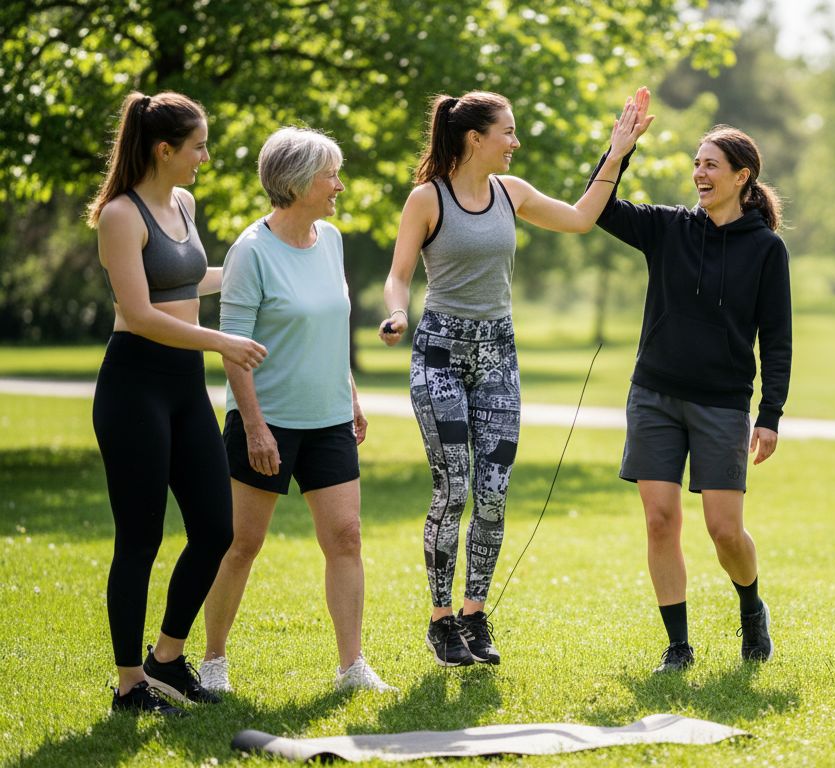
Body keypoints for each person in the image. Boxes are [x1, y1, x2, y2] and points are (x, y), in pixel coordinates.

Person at [377, 89, 654, 667]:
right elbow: (399, 274)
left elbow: (581, 219)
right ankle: (441, 620)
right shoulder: (428, 199)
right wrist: (397, 311)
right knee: (453, 489)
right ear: (475, 138)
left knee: (495, 496)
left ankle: (475, 615)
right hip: (441, 359)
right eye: (507, 131)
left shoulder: (513, 193)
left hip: (497, 356)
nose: (515, 141)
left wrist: (617, 152)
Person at [87, 91, 267, 716]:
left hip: (186, 388)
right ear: (165, 150)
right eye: (198, 146)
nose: (205, 157)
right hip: (134, 387)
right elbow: (139, 314)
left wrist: (264, 266)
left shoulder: (183, 203)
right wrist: (223, 340)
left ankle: (167, 658)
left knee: (217, 528)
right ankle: (129, 684)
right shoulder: (120, 215)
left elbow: (192, 278)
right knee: (139, 538)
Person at [588, 124, 792, 673]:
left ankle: (751, 606)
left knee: (724, 530)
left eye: (711, 165)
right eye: (696, 163)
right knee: (660, 519)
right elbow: (600, 207)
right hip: (653, 394)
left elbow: (777, 338)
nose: (699, 173)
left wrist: (769, 415)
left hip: (722, 403)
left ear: (741, 177)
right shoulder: (668, 228)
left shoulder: (767, 249)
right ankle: (678, 647)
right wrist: (619, 151)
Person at [200, 127, 393, 692]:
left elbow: (331, 329)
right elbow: (232, 349)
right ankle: (212, 663)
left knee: (347, 537)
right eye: (330, 174)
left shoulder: (330, 239)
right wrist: (255, 427)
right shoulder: (251, 252)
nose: (338, 184)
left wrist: (350, 394)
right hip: (267, 423)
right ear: (296, 181)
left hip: (329, 418)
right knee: (242, 543)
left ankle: (351, 667)